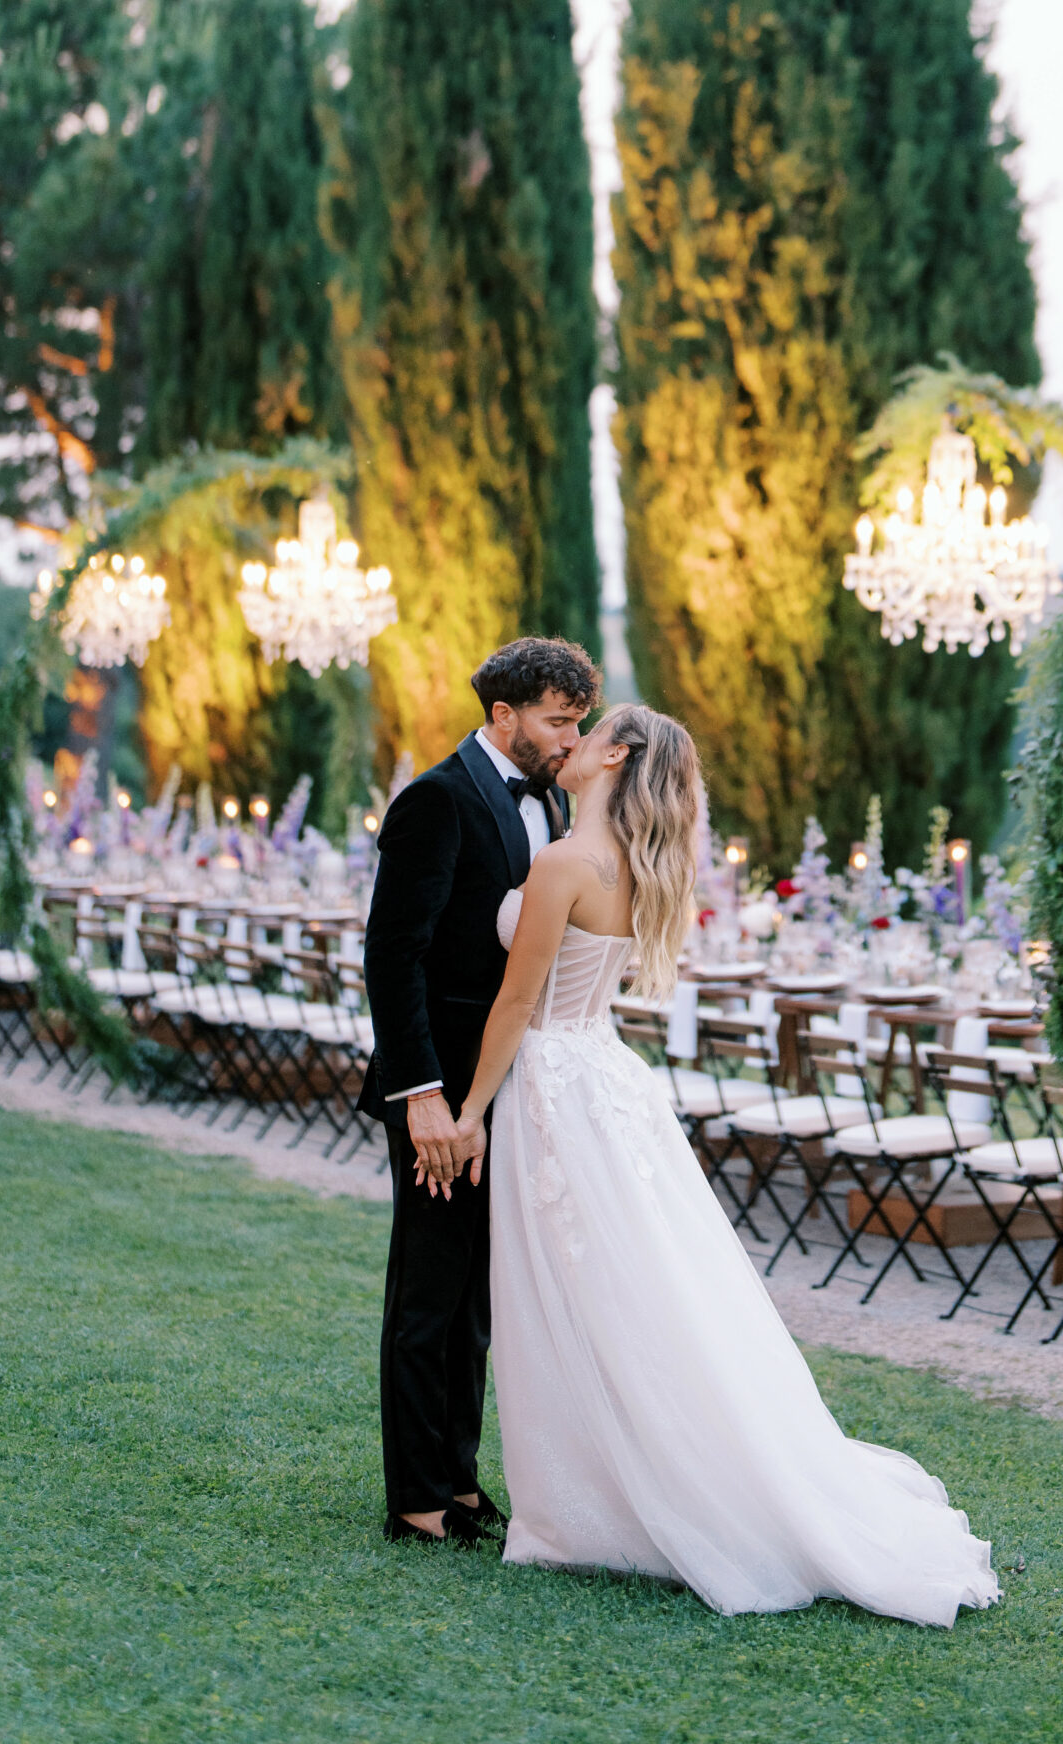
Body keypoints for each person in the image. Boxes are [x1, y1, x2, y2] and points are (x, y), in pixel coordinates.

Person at [442, 701, 999, 1623]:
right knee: (637, 1293)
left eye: (589, 732)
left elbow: (514, 1006)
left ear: (614, 754)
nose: (569, 742)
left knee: (572, 1296)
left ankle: (602, 1506)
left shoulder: (565, 864)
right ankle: (609, 1488)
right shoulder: (627, 865)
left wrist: (468, 1112)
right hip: (605, 1082)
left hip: (552, 1088)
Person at [358, 634, 601, 1545]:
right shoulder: (436, 799)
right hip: (438, 1088)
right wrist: (421, 1094)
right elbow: (393, 956)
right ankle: (417, 1498)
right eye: (556, 721)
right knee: (429, 1289)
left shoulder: (556, 808)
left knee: (477, 1295)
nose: (570, 739)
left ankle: (458, 1481)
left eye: (578, 721)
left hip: (507, 1085)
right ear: (502, 715)